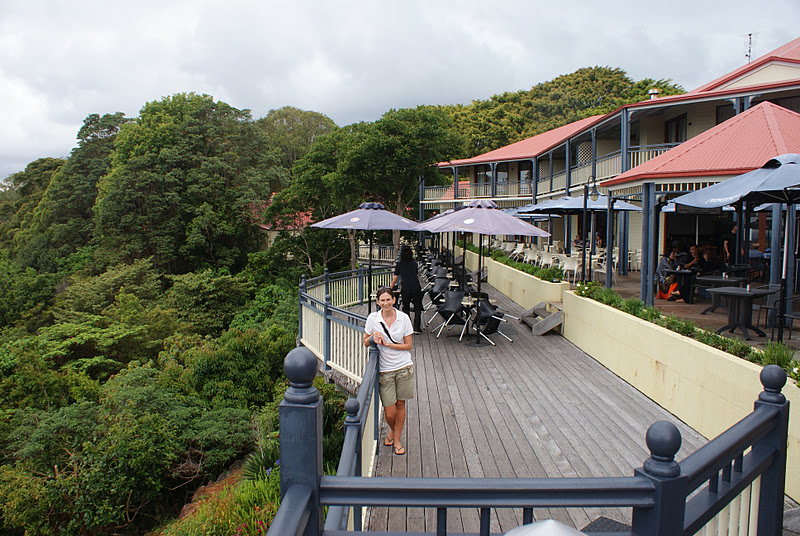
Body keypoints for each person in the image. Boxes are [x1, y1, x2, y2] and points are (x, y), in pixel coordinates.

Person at [363, 287, 414, 456]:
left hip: (403, 367)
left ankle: (397, 439)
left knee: (401, 404)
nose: (385, 303)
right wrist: (373, 338)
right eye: (382, 300)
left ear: (393, 300)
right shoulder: (373, 318)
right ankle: (393, 429)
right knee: (389, 411)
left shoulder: (403, 318)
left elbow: (408, 345)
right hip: (385, 369)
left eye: (388, 300)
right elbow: (365, 341)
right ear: (378, 302)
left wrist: (389, 345)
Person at [391, 247, 423, 333]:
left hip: (406, 288)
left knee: (406, 307)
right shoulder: (414, 264)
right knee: (417, 307)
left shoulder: (399, 265)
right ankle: (417, 328)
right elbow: (415, 274)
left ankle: (408, 327)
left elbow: (395, 279)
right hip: (416, 287)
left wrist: (390, 288)